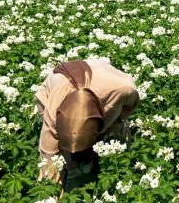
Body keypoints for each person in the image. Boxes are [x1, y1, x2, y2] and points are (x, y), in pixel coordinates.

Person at [35, 59, 139, 191]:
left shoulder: (123, 90)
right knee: (60, 151)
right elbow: (48, 153)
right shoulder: (54, 107)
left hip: (104, 78)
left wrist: (115, 122)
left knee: (116, 132)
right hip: (62, 79)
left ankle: (89, 157)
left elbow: (129, 107)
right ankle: (73, 164)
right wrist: (49, 192)